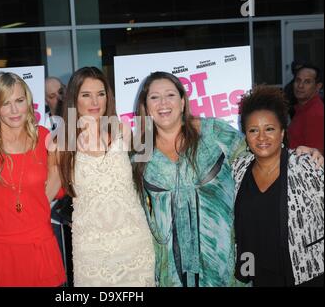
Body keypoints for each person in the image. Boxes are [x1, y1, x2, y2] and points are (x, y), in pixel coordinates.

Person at [131, 71, 323, 287]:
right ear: (145, 106)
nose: (163, 103)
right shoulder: (140, 150)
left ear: (183, 102)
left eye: (170, 95)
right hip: (171, 273)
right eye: (154, 97)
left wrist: (298, 154)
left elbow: (259, 153)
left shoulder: (213, 132)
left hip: (224, 266)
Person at [56, 67, 155, 287]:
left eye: (100, 94)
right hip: (91, 251)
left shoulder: (123, 132)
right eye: (86, 95)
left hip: (134, 244)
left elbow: (150, 173)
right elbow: (43, 192)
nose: (95, 101)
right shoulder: (61, 144)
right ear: (74, 98)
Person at [0, 72, 66, 286]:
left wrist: (34, 210)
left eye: (20, 101)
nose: (14, 110)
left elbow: (57, 180)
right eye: (6, 103)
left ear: (28, 102)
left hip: (38, 245)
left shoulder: (44, 138)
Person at [233, 86, 323, 287]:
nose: (262, 137)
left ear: (282, 133)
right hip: (259, 276)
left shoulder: (305, 165)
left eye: (269, 129)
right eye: (253, 130)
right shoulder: (238, 169)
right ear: (246, 136)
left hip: (307, 274)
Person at [44, 76, 73, 287]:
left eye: (61, 91)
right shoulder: (41, 127)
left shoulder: (80, 121)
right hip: (53, 211)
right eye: (52, 96)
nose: (60, 98)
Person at [288, 64, 324, 155]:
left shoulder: (315, 114)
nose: (300, 86)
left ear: (318, 86)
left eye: (307, 82)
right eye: (298, 80)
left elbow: (316, 155)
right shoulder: (302, 108)